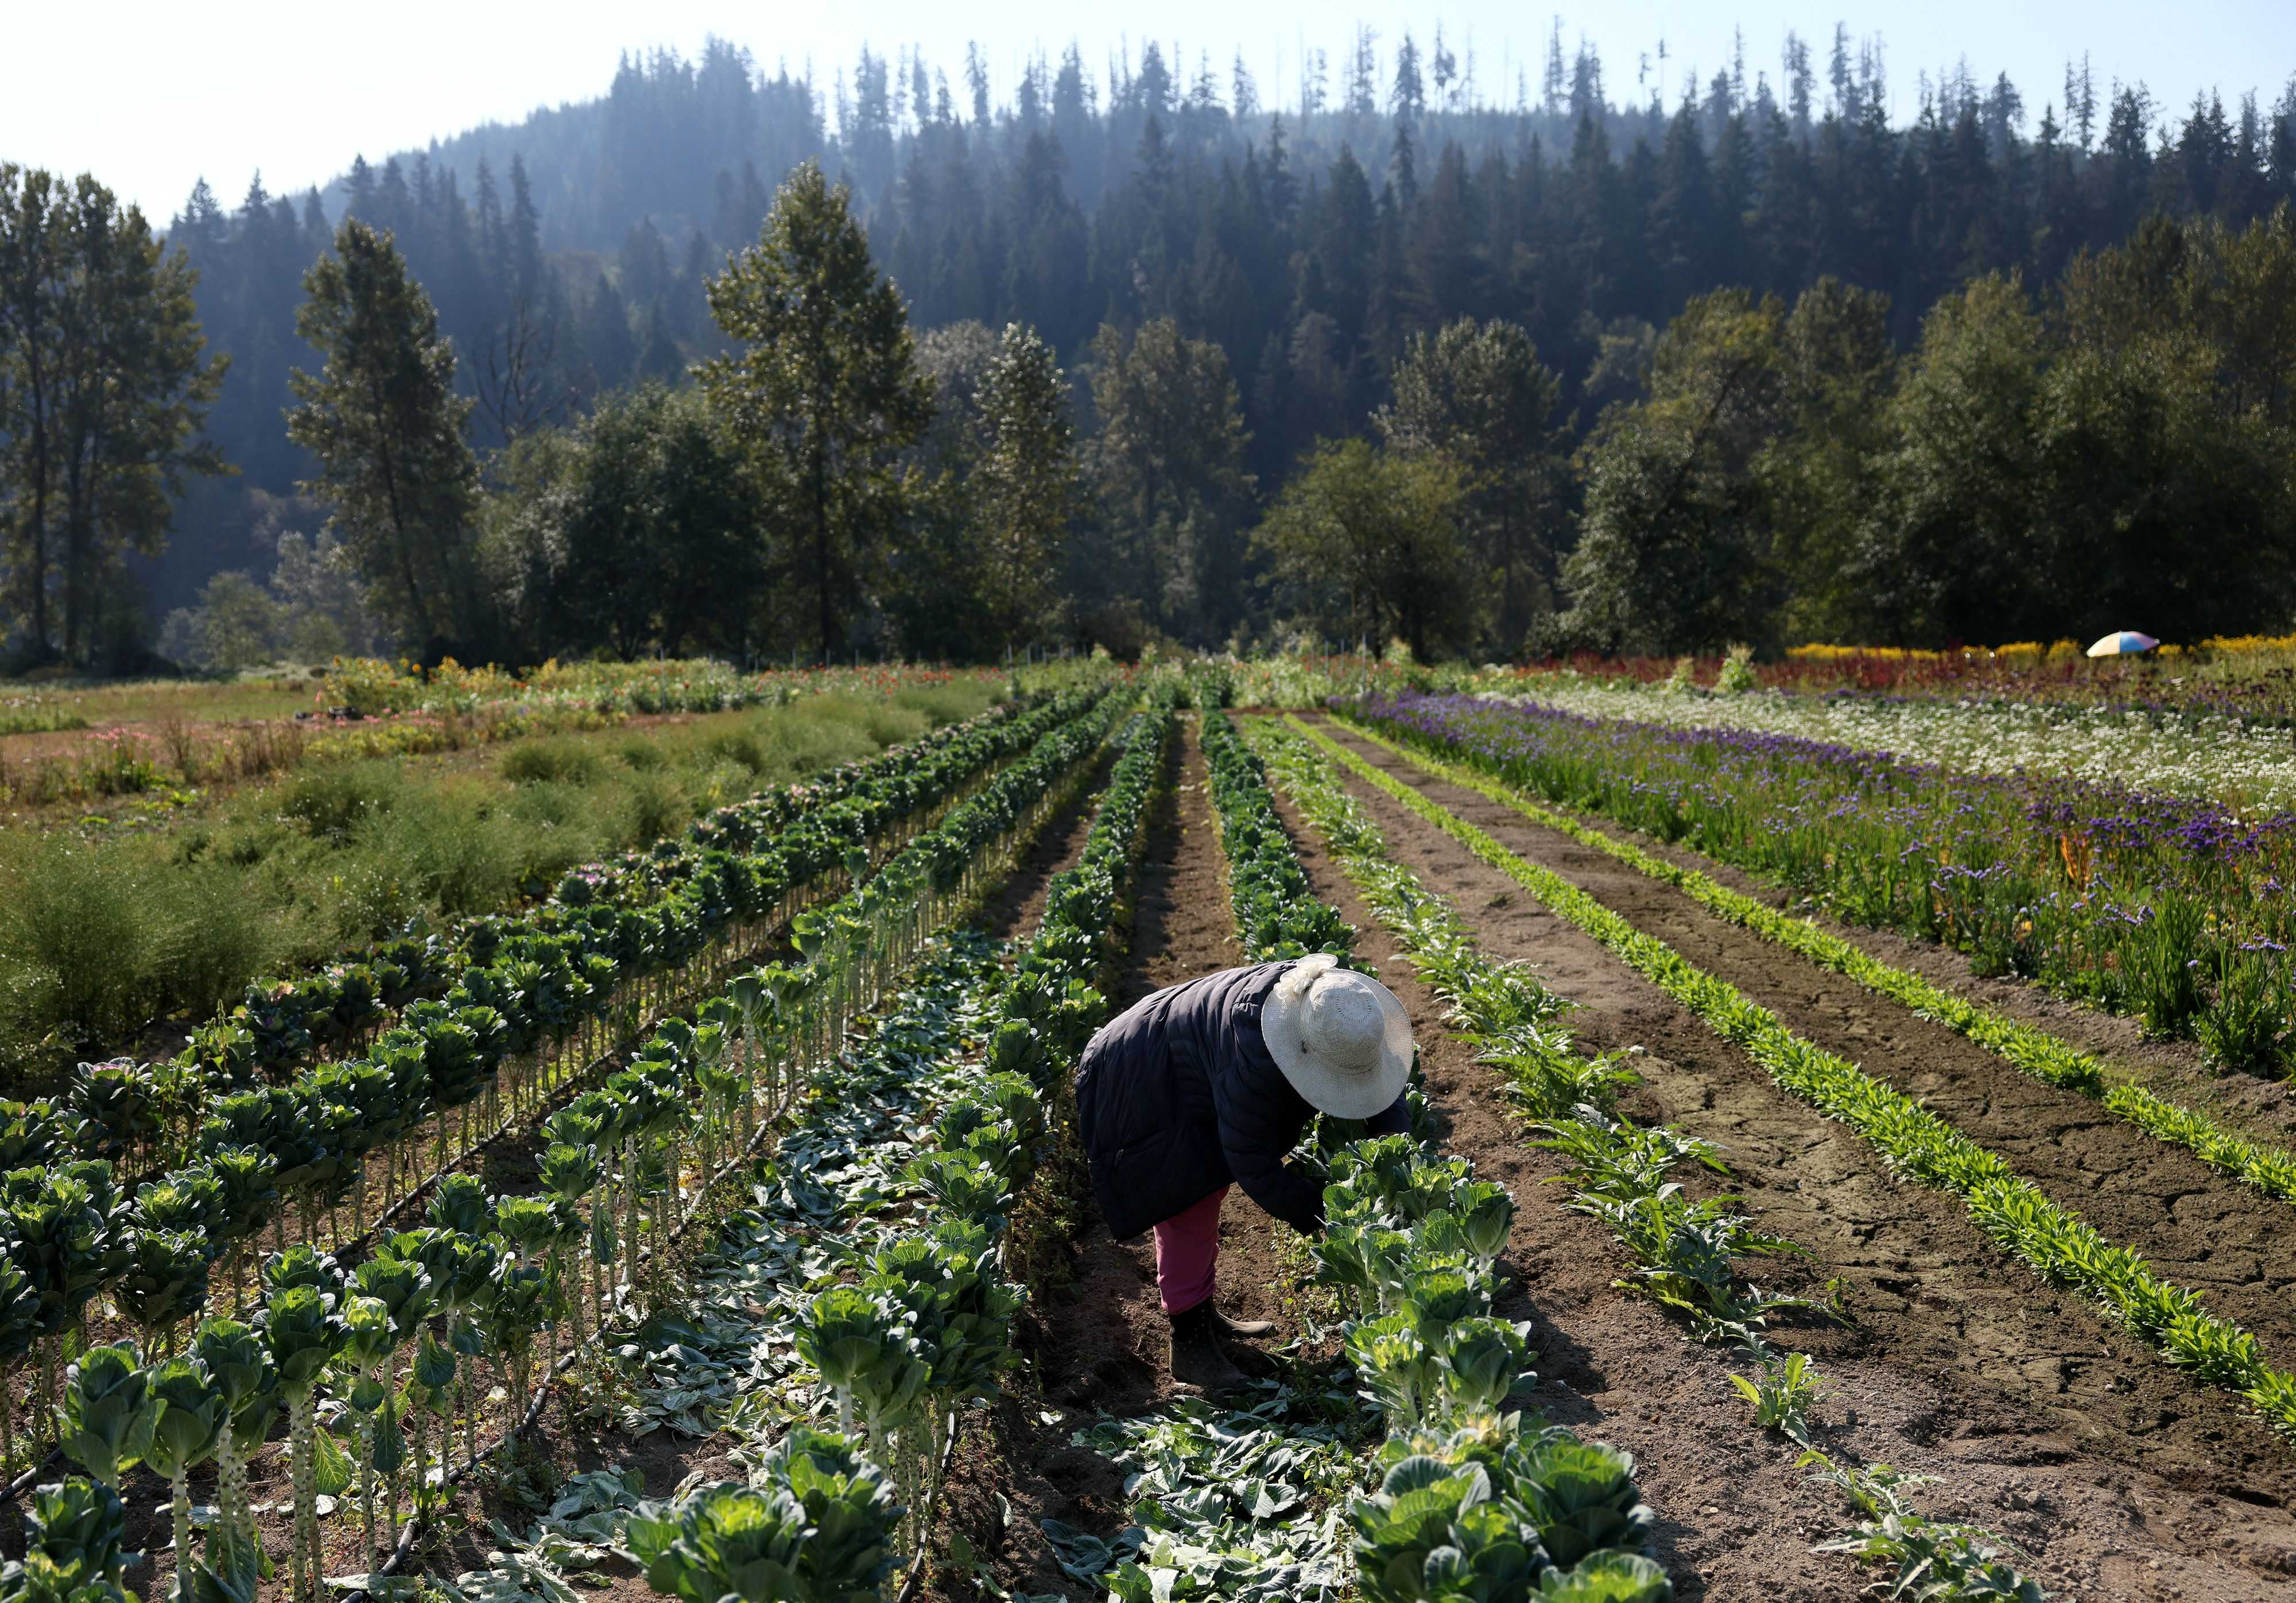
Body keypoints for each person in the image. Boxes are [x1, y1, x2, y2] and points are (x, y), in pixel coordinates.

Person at [1074, 952, 1414, 1395]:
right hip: (1136, 1074)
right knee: (1186, 1202)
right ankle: (1191, 1347)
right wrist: (1329, 1216)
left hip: (1181, 1057)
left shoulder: (1344, 1010)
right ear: (1304, 1052)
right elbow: (1253, 1162)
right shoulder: (1254, 1056)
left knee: (1205, 1189)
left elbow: (1382, 1084)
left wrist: (1393, 1154)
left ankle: (1203, 1312)